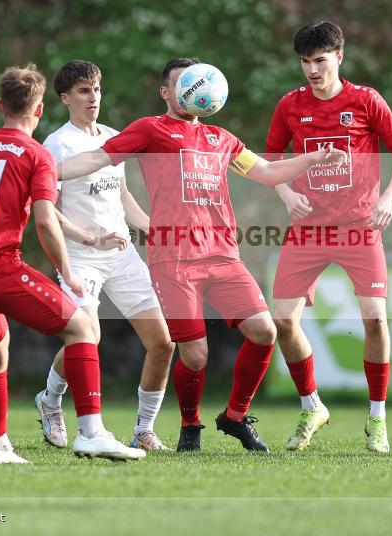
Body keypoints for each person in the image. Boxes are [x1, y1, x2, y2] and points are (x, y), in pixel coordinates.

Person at [59, 57, 346, 452]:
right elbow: (97, 158)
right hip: (174, 260)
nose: (192, 90)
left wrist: (312, 158)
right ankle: (190, 425)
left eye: (198, 83)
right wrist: (44, 171)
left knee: (264, 332)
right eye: (182, 84)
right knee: (195, 355)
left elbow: (265, 172)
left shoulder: (221, 138)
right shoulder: (149, 130)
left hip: (224, 255)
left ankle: (235, 416)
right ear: (166, 93)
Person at [0, 64, 144, 463]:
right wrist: (70, 272)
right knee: (80, 328)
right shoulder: (35, 153)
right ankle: (91, 432)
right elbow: (44, 219)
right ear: (40, 110)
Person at [264, 21, 392, 453]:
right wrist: (287, 192)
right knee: (283, 322)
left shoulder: (365, 100)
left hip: (358, 228)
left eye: (320, 60)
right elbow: (271, 157)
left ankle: (377, 419)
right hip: (307, 229)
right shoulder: (290, 105)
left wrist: (388, 197)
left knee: (374, 321)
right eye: (305, 61)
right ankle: (312, 405)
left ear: (339, 58)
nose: (312, 69)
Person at [35, 60, 175, 452]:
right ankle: (49, 400)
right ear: (65, 98)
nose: (92, 97)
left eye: (96, 88)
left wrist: (156, 229)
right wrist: (87, 237)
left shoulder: (114, 136)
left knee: (163, 344)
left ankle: (143, 430)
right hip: (80, 257)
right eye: (83, 90)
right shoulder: (56, 145)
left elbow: (123, 196)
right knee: (88, 338)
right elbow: (46, 207)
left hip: (122, 255)